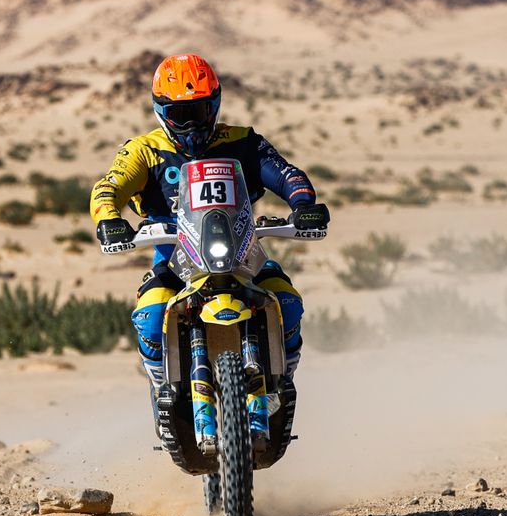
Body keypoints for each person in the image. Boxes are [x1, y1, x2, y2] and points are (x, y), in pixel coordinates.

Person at [89, 53, 329, 408]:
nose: (191, 125)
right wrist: (109, 219)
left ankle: (283, 382)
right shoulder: (143, 150)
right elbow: (107, 188)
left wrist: (303, 203)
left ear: (214, 106)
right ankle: (164, 392)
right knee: (151, 316)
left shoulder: (243, 141)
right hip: (175, 261)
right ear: (161, 111)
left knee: (288, 302)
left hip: (244, 254)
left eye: (199, 112)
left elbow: (286, 173)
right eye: (180, 115)